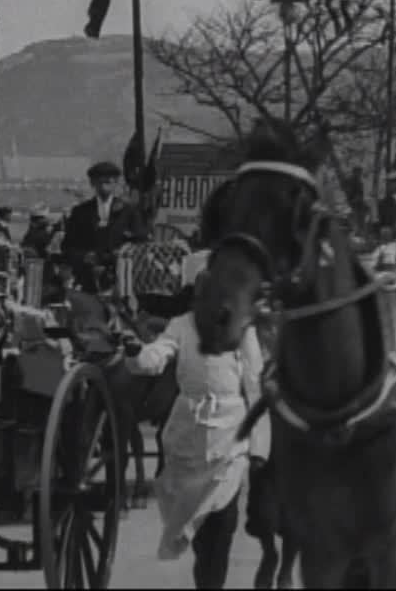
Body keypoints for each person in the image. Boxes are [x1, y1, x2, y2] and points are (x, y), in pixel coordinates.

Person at [122, 253, 269, 590]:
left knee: (224, 522)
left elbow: (256, 387)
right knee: (201, 537)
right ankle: (207, 581)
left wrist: (260, 445)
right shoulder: (182, 325)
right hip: (188, 437)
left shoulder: (241, 329)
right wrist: (136, 352)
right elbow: (156, 356)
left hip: (230, 438)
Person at [62, 161, 148, 292]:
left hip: (122, 281)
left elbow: (141, 242)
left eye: (109, 181)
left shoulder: (128, 211)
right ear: (93, 184)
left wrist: (123, 253)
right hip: (87, 281)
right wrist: (85, 257)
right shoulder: (80, 212)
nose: (105, 185)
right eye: (100, 181)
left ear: (116, 184)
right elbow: (67, 247)